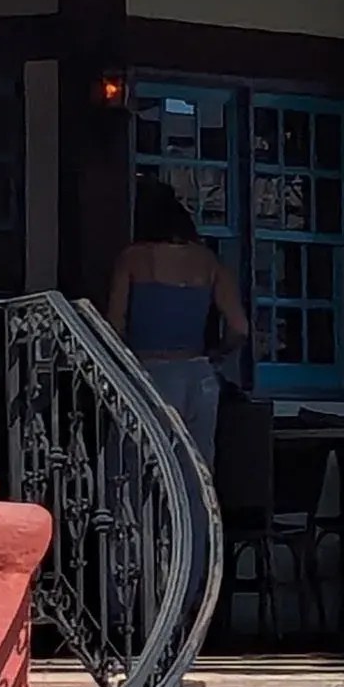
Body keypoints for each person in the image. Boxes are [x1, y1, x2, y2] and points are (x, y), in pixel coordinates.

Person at [105, 178, 243, 490]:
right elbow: (239, 326)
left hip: (149, 373)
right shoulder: (208, 261)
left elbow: (114, 324)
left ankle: (142, 539)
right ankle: (195, 539)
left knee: (136, 469)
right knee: (196, 474)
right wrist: (217, 353)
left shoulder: (133, 258)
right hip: (198, 374)